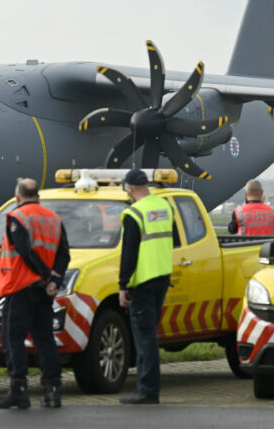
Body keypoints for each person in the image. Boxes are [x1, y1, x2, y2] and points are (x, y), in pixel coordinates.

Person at [0, 178, 71, 410]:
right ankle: (53, 390)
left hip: (20, 286)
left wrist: (45, 275)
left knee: (12, 338)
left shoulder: (17, 217)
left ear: (18, 196)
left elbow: (25, 251)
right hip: (44, 291)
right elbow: (64, 254)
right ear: (38, 195)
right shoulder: (54, 219)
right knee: (44, 339)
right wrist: (54, 280)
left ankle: (19, 390)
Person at [118, 169, 173, 405]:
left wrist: (123, 285)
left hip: (143, 280)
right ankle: (147, 388)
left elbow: (128, 253)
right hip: (162, 276)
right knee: (149, 334)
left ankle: (148, 390)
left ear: (130, 188)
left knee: (145, 337)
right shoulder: (164, 206)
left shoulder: (134, 213)